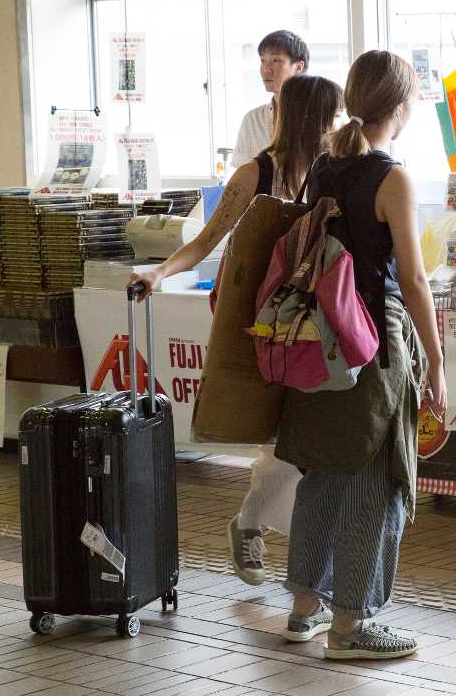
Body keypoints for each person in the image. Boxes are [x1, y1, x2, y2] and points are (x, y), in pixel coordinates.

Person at [130, 74, 344, 585]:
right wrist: (158, 273)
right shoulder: (254, 174)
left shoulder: (336, 172)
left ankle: (266, 535)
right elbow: (206, 241)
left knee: (295, 438)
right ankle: (259, 532)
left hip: (315, 322)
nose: (338, 124)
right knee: (280, 435)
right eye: (333, 115)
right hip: (258, 322)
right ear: (315, 119)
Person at [273, 50, 446, 659]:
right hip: (373, 347)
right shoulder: (391, 178)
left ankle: (303, 610)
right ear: (399, 108)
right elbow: (415, 281)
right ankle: (350, 627)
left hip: (317, 343)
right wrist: (438, 362)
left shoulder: (323, 167)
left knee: (321, 472)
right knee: (377, 479)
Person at [231, 30, 310, 168]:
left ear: (298, 67)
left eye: (275, 60)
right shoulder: (252, 120)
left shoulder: (319, 115)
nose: (266, 70)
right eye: (263, 60)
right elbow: (241, 175)